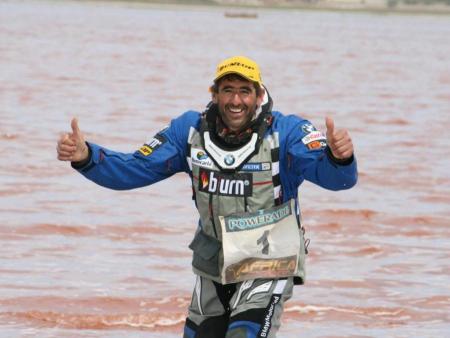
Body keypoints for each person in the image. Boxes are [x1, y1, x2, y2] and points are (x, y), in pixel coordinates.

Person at [57, 56, 357, 338]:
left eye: (244, 91)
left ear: (259, 94)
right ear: (214, 94)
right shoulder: (187, 131)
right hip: (212, 263)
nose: (236, 100)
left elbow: (336, 180)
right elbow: (135, 169)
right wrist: (87, 157)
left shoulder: (289, 131)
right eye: (227, 90)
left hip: (269, 261)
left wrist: (340, 158)